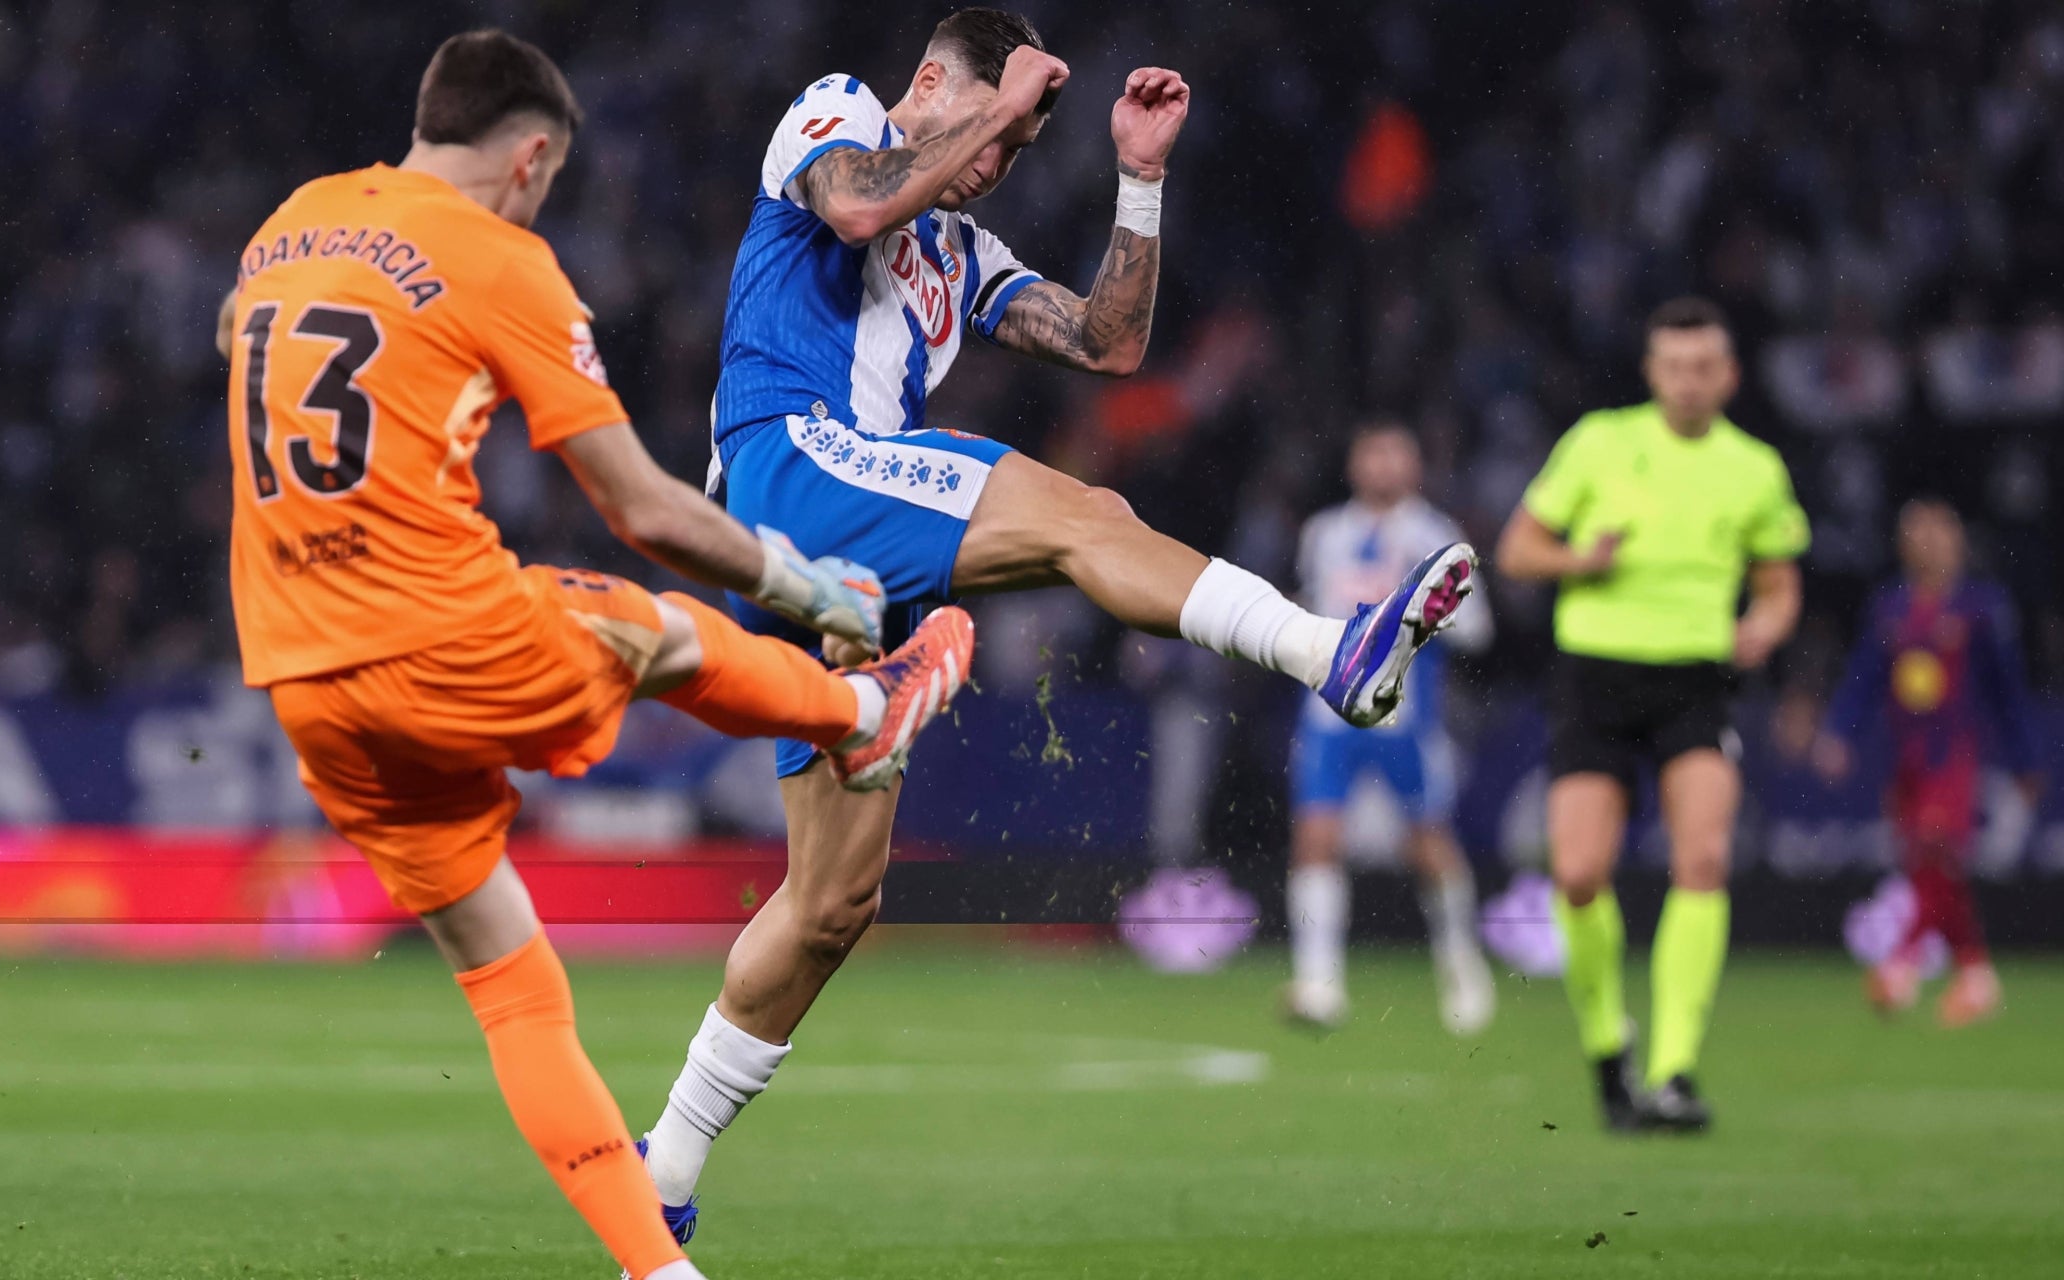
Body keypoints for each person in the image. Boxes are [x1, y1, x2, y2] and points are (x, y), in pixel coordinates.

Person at [638, 7, 1476, 1239]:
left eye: (1022, 150)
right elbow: (858, 206)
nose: (1000, 160)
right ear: (936, 80)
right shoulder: (835, 114)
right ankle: (1325, 649)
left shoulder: (961, 252)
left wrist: (1138, 182)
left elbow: (1108, 340)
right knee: (1086, 513)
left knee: (829, 906)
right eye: (995, 128)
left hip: (835, 565)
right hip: (795, 464)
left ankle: (657, 1178)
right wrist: (996, 103)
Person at [222, 32, 976, 1280]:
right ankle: (856, 705)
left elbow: (239, 340)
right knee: (657, 622)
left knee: (510, 983)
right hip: (437, 627)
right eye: (551, 178)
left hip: (303, 678)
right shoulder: (496, 255)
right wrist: (801, 582)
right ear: (530, 156)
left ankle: (657, 1271)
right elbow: (647, 507)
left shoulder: (286, 229)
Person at [1495, 296, 1808, 1135]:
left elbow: (1780, 587)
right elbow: (1518, 550)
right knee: (1578, 876)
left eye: (1705, 366)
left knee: (1702, 860)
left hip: (1695, 684)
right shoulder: (1601, 441)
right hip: (1595, 678)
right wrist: (1579, 560)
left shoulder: (1755, 469)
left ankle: (1673, 1070)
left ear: (1730, 375)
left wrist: (1760, 631)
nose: (1689, 381)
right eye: (1674, 365)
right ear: (1651, 371)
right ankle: (1609, 1051)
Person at [1283, 423, 1497, 1036]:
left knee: (1428, 843)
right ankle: (1319, 984)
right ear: (1354, 464)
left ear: (1416, 466)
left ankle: (1461, 963)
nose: (1382, 467)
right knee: (1317, 837)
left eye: (1394, 455)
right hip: (1328, 714)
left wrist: (1415, 619)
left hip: (1407, 715)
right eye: (1372, 454)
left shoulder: (1435, 536)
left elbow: (1479, 630)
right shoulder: (1324, 533)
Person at [1814, 498, 2039, 1027]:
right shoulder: (1891, 607)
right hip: (1906, 757)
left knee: (1938, 845)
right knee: (1926, 863)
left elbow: (2008, 691)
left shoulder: (1982, 608)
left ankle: (1902, 965)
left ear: (1957, 540)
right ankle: (1975, 974)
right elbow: (1864, 676)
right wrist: (1839, 733)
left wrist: (2025, 758)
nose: (1926, 543)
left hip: (1953, 753)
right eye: (1915, 534)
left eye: (1936, 532)